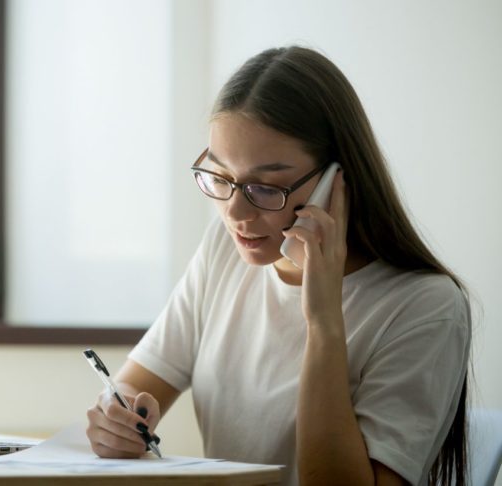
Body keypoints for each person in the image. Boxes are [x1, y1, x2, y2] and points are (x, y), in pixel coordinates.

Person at [85, 46, 470, 486]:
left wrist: (323, 321)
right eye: (221, 178)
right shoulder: (225, 250)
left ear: (335, 181)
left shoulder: (424, 305)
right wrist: (117, 419)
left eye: (265, 188)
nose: (235, 213)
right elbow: (137, 386)